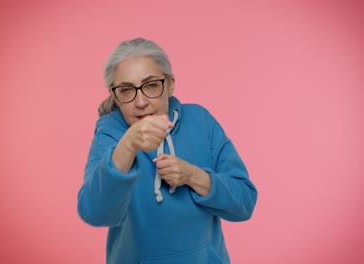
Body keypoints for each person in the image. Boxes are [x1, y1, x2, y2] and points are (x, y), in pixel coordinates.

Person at [77, 37, 258, 263]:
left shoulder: (200, 120)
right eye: (126, 90)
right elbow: (95, 212)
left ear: (170, 84)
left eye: (151, 85)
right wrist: (129, 144)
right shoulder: (111, 132)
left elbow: (244, 203)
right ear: (115, 95)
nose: (140, 102)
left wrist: (193, 175)